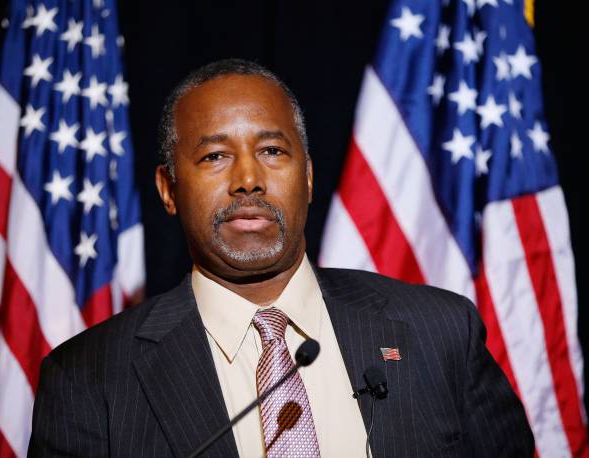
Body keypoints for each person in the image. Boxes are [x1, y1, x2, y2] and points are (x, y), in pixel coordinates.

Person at [29, 59, 534, 457]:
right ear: (168, 189)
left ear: (309, 176)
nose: (248, 178)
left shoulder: (441, 332)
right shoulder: (87, 380)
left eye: (272, 150)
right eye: (214, 156)